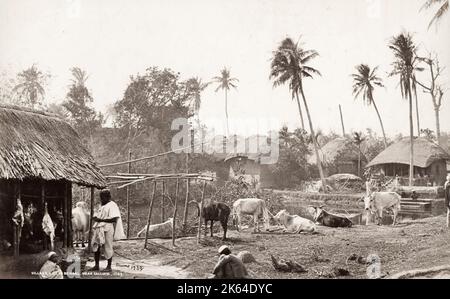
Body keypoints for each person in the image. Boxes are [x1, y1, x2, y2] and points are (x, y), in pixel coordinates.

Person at [89, 189, 125, 272]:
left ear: (108, 197)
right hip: (99, 228)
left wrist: (100, 220)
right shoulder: (102, 205)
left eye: (103, 197)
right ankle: (96, 265)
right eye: (101, 197)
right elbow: (99, 216)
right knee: (96, 246)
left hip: (108, 228)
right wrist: (96, 218)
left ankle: (109, 267)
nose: (102, 199)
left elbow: (114, 219)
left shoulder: (112, 205)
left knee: (108, 246)